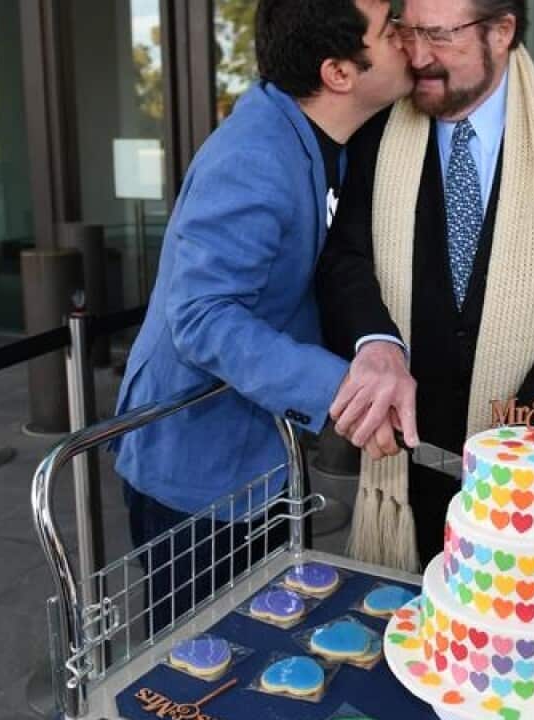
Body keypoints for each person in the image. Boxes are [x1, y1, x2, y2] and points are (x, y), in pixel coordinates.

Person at [111, 0, 413, 633]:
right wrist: (341, 391)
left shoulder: (315, 135)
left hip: (252, 453)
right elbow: (200, 316)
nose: (407, 39)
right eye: (390, 31)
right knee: (199, 661)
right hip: (196, 468)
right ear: (339, 73)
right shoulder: (254, 155)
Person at [317, 0, 534, 572]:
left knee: (520, 637)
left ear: (502, 32)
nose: (417, 56)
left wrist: (514, 434)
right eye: (407, 33)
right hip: (405, 451)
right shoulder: (376, 128)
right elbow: (346, 264)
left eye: (439, 36)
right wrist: (375, 344)